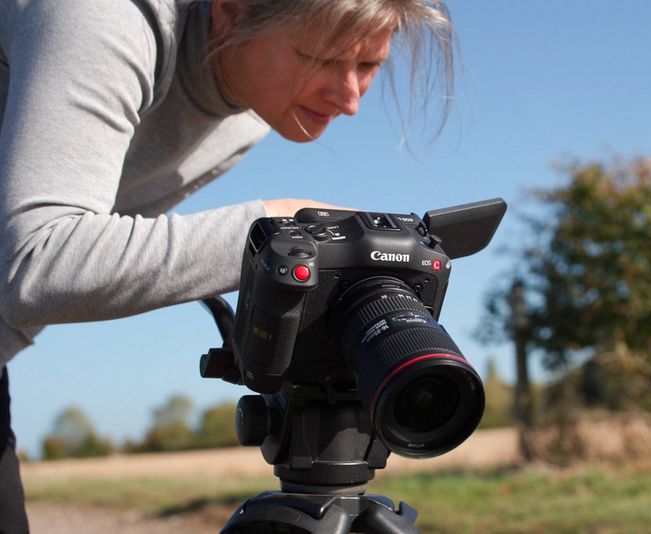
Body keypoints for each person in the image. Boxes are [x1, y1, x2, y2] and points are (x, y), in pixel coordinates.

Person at [0, 0, 456, 530]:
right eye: (319, 58)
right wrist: (274, 228)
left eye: (369, 65)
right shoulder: (104, 15)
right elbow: (36, 262)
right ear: (231, 11)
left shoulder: (256, 103)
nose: (351, 98)